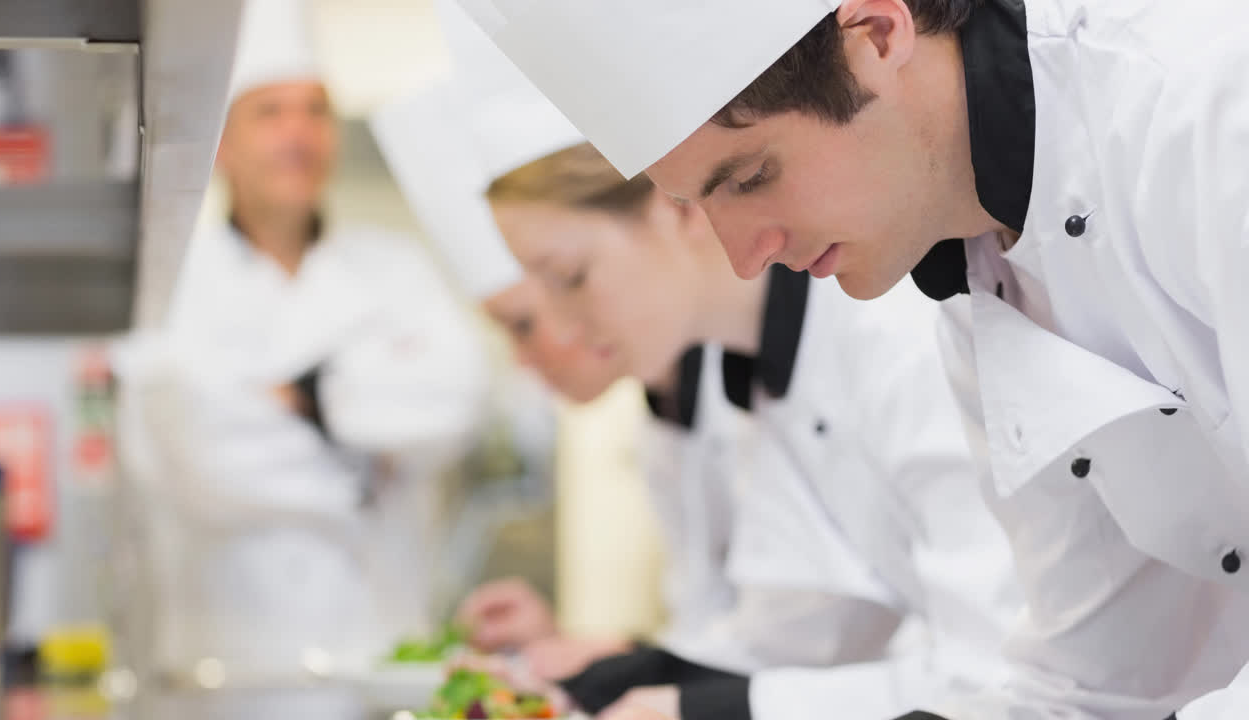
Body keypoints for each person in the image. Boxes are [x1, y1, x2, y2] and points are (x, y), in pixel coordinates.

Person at [453, 0, 1249, 718]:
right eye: (701, 203)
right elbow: (1087, 684)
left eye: (752, 176)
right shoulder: (981, 292)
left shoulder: (1204, 105)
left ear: (875, 34)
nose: (743, 257)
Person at [433, 13, 1020, 709]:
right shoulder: (752, 379)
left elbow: (1010, 671)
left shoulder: (899, 331)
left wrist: (701, 705)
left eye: (570, 277)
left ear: (668, 206)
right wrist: (627, 677)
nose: (561, 329)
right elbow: (800, 628)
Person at [114, 1, 486, 715]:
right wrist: (370, 460)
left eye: (315, 110)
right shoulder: (170, 283)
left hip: (379, 676)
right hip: (222, 686)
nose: (299, 132)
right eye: (271, 111)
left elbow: (454, 402)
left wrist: (300, 401)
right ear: (221, 145)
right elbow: (200, 451)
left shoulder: (396, 268)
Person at [370, 77, 747, 681]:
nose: (534, 352)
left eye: (525, 321)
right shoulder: (664, 419)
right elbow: (725, 646)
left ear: (672, 210)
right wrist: (578, 655)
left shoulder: (755, 367)